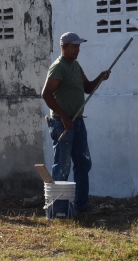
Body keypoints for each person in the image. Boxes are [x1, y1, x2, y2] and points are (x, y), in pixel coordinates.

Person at [41, 32, 110, 213]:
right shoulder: (58, 67)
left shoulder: (76, 66)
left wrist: (100, 78)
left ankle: (81, 206)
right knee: (63, 166)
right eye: (74, 47)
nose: (77, 50)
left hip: (77, 122)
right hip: (62, 123)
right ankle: (58, 209)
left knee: (83, 163)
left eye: (79, 47)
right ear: (64, 47)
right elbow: (46, 94)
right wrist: (63, 117)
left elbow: (87, 88)